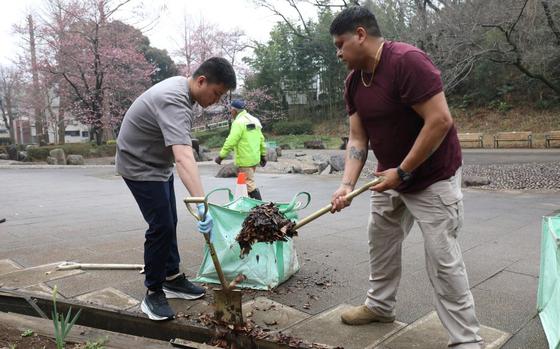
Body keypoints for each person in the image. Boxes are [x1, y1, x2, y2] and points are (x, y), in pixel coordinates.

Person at [329, 7, 483, 349]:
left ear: (360, 34)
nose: (338, 53)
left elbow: (440, 121)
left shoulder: (407, 62)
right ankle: (380, 306)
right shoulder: (354, 82)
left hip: (432, 178)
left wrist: (404, 171)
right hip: (388, 176)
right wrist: (346, 185)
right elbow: (357, 138)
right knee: (380, 242)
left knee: (443, 259)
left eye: (340, 44)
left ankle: (466, 340)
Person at [116, 57, 236, 321]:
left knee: (170, 219)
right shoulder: (174, 99)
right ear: (202, 81)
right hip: (139, 165)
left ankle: (171, 277)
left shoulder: (183, 91)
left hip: (157, 163)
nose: (215, 100)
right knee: (161, 226)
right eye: (216, 93)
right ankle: (153, 292)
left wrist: (198, 203)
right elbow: (183, 156)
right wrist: (202, 206)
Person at [214, 99, 267, 200]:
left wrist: (221, 156)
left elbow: (231, 141)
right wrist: (263, 155)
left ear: (234, 110)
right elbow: (261, 139)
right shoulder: (254, 120)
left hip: (244, 160)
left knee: (248, 184)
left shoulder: (238, 122)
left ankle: (262, 208)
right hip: (254, 158)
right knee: (246, 184)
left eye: (231, 110)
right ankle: (249, 207)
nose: (230, 112)